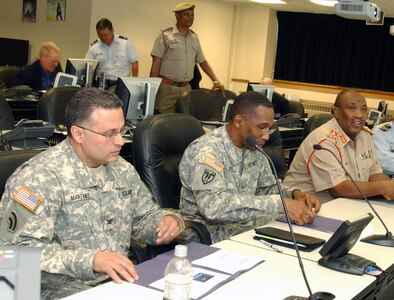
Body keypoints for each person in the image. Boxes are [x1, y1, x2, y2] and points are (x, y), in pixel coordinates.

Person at [0, 88, 184, 299]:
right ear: (78, 133)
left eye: (121, 131)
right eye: (110, 134)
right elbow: (14, 253)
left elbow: (142, 218)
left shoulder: (121, 169)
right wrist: (91, 260)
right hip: (57, 290)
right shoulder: (38, 178)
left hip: (117, 282)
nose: (120, 141)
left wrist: (165, 221)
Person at [178, 91, 321, 243]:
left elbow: (267, 188)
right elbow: (214, 208)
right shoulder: (207, 151)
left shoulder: (253, 147)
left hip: (247, 229)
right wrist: (280, 203)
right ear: (239, 121)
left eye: (269, 128)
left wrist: (293, 195)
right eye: (261, 127)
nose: (266, 136)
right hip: (210, 236)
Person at [283, 89, 394, 203]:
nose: (360, 115)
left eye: (364, 109)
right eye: (352, 108)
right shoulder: (323, 142)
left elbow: (374, 174)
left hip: (349, 204)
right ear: (337, 112)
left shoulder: (365, 136)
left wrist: (389, 186)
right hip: (307, 207)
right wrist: (383, 188)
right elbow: (338, 189)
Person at [150, 2, 225, 113]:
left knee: (184, 121)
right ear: (177, 16)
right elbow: (156, 63)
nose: (190, 18)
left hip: (186, 88)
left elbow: (202, 61)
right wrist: (152, 88)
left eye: (192, 15)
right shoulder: (165, 36)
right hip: (167, 88)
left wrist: (215, 80)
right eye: (186, 14)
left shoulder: (194, 38)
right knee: (164, 120)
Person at [85, 18, 139, 89]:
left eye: (105, 34)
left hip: (121, 83)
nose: (103, 37)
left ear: (112, 31)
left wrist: (134, 82)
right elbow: (87, 65)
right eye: (100, 35)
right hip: (102, 83)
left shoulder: (125, 44)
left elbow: (134, 62)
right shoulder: (94, 47)